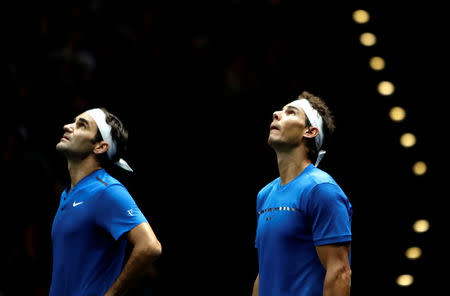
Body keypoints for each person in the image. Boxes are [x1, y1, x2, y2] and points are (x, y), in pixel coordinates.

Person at [51, 107, 162, 296]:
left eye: (82, 126)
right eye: (73, 121)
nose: (67, 127)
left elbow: (150, 246)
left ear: (100, 146)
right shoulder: (68, 194)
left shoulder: (107, 191)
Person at [252, 91, 352, 296]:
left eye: (291, 113)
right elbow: (265, 272)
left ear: (310, 131)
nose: (276, 113)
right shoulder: (264, 195)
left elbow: (339, 272)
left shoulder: (321, 189)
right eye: (281, 110)